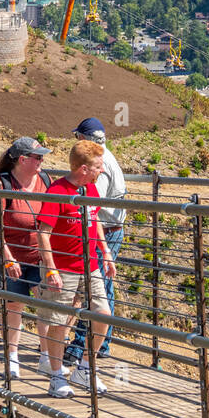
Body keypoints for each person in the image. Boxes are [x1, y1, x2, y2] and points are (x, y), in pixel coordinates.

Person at [37, 141, 114, 399]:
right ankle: (57, 377)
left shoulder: (91, 189)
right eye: (98, 166)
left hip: (90, 265)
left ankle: (85, 368)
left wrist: (106, 253)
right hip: (63, 267)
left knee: (103, 314)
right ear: (83, 168)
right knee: (59, 322)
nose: (101, 171)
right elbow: (43, 233)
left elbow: (96, 222)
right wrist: (51, 270)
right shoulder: (58, 190)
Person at [0, 136, 52, 380]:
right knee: (15, 304)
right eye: (38, 157)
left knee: (46, 302)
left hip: (36, 254)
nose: (42, 161)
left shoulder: (44, 180)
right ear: (22, 160)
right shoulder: (0, 186)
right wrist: (8, 259)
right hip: (3, 253)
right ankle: (12, 357)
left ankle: (47, 356)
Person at [63, 117, 129, 369]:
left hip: (104, 230)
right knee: (104, 288)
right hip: (112, 228)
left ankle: (83, 345)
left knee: (96, 288)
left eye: (78, 138)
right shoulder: (108, 158)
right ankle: (102, 344)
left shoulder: (99, 165)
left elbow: (91, 203)